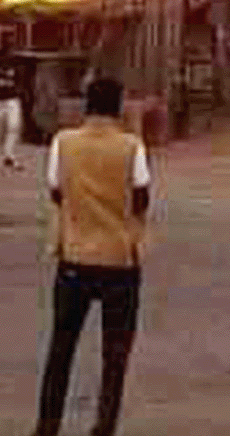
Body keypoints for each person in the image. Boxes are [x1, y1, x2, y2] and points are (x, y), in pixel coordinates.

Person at [35, 76, 152, 436]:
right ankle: (104, 426)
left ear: (87, 105)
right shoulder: (132, 146)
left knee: (61, 346)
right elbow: (141, 197)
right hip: (120, 259)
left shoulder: (64, 142)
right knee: (115, 354)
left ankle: (47, 426)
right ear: (118, 107)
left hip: (75, 256)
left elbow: (56, 190)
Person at [0, 32, 27, 172]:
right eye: (7, 40)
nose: (10, 43)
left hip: (11, 98)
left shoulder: (16, 59)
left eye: (12, 40)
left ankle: (9, 156)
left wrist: (18, 90)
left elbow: (21, 77)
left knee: (14, 127)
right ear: (1, 41)